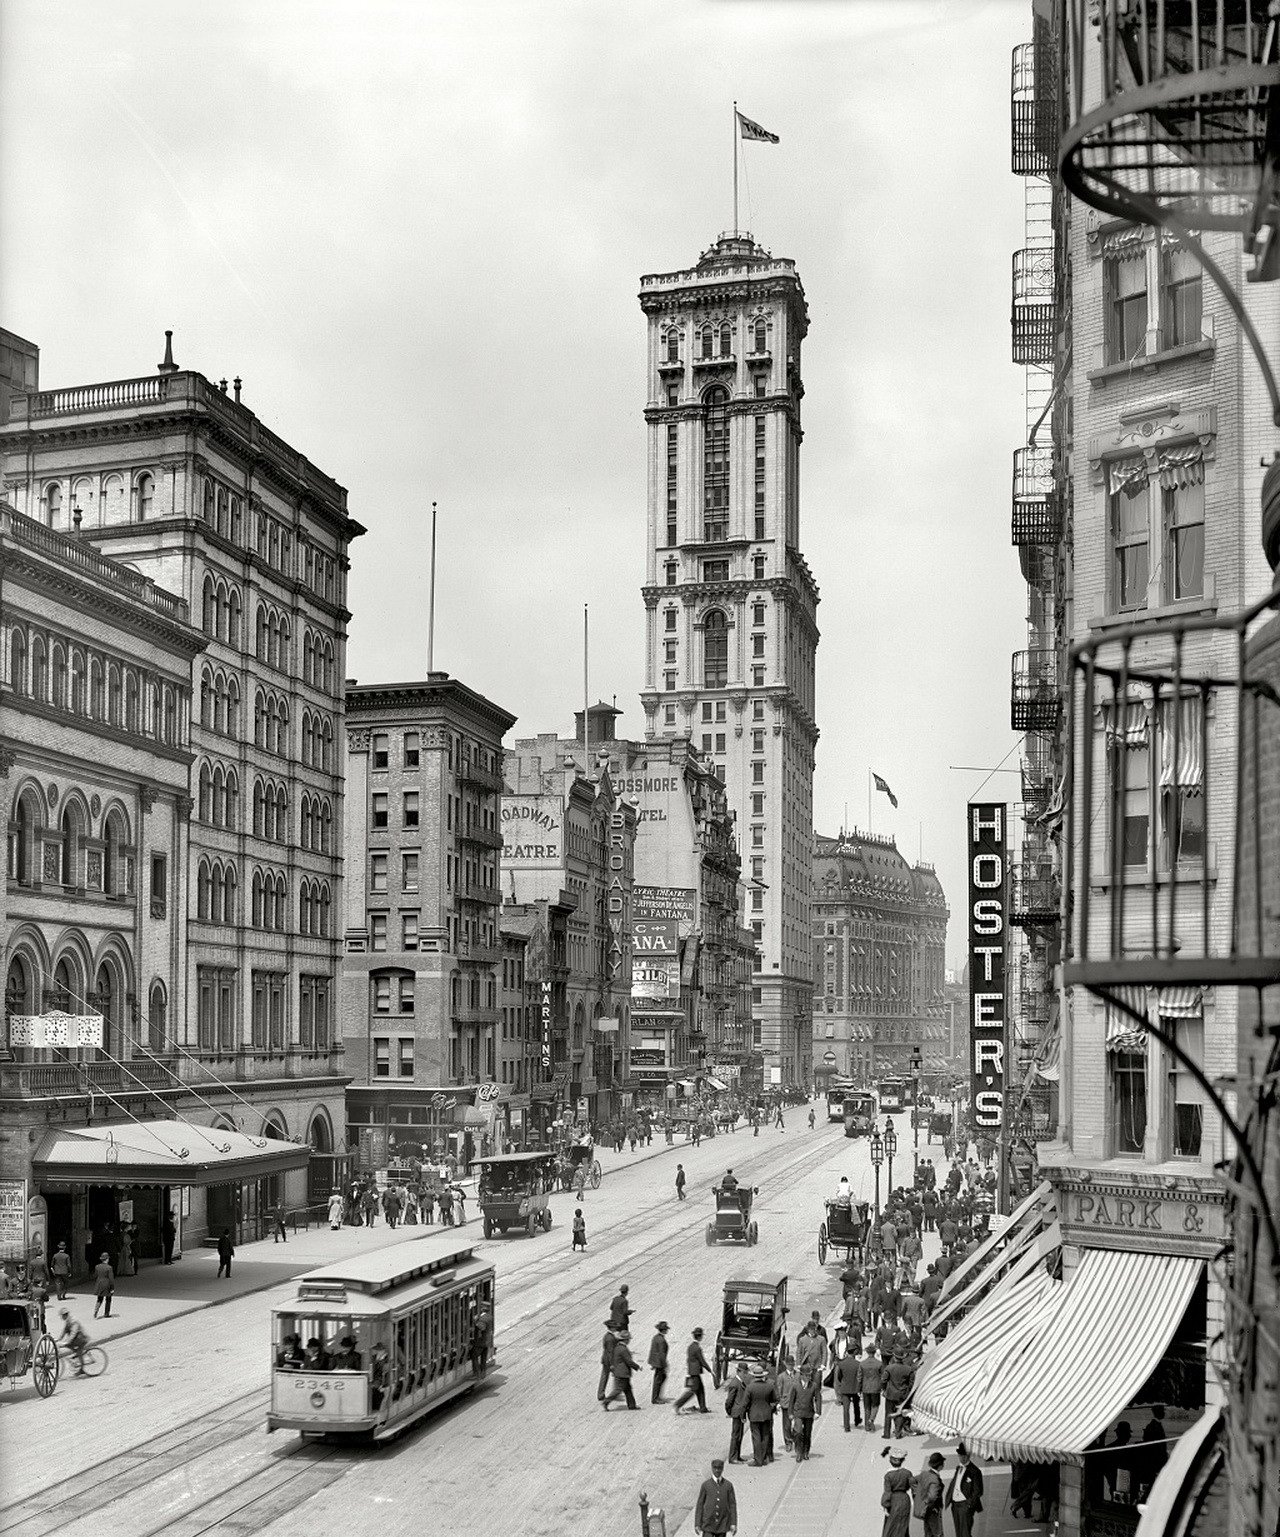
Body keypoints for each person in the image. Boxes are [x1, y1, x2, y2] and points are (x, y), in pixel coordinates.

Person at [944, 1443, 984, 1537]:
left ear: (967, 1456)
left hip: (965, 1505)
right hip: (955, 1505)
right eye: (959, 1455)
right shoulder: (959, 1468)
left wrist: (969, 1504)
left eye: (962, 1456)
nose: (960, 1458)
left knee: (965, 1533)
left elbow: (978, 1491)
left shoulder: (975, 1471)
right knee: (959, 1533)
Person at [693, 1458, 737, 1537]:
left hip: (722, 1523)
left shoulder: (728, 1485)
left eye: (719, 1468)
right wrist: (697, 1523)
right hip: (708, 1523)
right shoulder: (706, 1485)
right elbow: (700, 1505)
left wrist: (733, 1523)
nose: (717, 1470)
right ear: (712, 1468)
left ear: (722, 1469)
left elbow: (732, 1505)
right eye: (715, 1468)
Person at [787, 1362, 822, 1461]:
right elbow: (791, 1401)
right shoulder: (795, 1385)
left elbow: (818, 1398)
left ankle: (806, 1452)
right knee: (798, 1433)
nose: (808, 1377)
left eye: (809, 1375)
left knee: (807, 1433)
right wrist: (790, 1413)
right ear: (801, 1375)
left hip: (809, 1413)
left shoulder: (814, 1386)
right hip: (798, 1413)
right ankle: (798, 1452)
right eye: (806, 1375)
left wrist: (818, 1412)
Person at [746, 1362, 779, 1465]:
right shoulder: (769, 1386)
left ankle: (758, 1460)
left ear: (754, 1375)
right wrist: (770, 1407)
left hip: (754, 1415)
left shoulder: (750, 1387)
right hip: (766, 1415)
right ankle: (764, 1458)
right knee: (765, 1436)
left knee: (756, 1437)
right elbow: (775, 1399)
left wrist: (743, 1414)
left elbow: (745, 1402)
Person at [674, 1326, 712, 1414]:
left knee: (700, 1389)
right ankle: (678, 1404)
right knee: (693, 1391)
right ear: (699, 1337)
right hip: (696, 1372)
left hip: (692, 1372)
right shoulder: (697, 1348)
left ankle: (703, 1408)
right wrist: (710, 1370)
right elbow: (702, 1361)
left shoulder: (690, 1346)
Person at [603, 1328, 640, 1410]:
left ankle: (632, 1405)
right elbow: (629, 1361)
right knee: (619, 1390)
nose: (629, 1341)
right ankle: (606, 1401)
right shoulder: (623, 1349)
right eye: (628, 1339)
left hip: (619, 1372)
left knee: (628, 1390)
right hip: (623, 1373)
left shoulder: (617, 1347)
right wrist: (637, 1367)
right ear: (626, 1340)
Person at [881, 1448, 914, 1537]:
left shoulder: (888, 1475)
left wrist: (885, 1505)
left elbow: (887, 1492)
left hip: (893, 1500)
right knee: (903, 1525)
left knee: (890, 1527)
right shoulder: (907, 1473)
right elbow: (914, 1487)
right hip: (905, 1499)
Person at [724, 1362, 750, 1461]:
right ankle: (732, 1457)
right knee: (735, 1436)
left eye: (746, 1372)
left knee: (739, 1435)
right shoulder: (735, 1383)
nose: (745, 1374)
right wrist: (730, 1412)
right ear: (739, 1372)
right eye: (744, 1372)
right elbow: (729, 1401)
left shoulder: (740, 1382)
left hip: (740, 1413)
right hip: (737, 1413)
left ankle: (737, 1456)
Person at [834, 1342, 863, 1431]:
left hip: (845, 1388)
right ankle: (857, 1420)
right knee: (856, 1405)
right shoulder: (858, 1364)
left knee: (846, 1408)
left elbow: (838, 1377)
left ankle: (847, 1427)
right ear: (854, 1352)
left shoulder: (841, 1364)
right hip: (855, 1388)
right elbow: (860, 1377)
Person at [774, 1351, 797, 1452]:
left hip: (797, 1403)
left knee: (797, 1424)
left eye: (792, 1364)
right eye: (789, 1365)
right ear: (785, 1365)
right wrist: (778, 1402)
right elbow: (779, 1390)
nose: (791, 1366)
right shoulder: (781, 1377)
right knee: (787, 1425)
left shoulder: (798, 1375)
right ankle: (788, 1442)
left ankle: (796, 1440)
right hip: (786, 1403)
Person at [860, 1345, 884, 1433]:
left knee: (866, 1407)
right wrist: (882, 1387)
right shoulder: (879, 1363)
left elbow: (859, 1377)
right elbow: (883, 1376)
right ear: (874, 1352)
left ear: (867, 1352)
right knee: (875, 1405)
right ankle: (871, 1419)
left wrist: (859, 1388)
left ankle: (867, 1426)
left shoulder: (862, 1363)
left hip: (865, 1387)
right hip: (876, 1387)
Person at [57, 1308, 90, 1375]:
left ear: (65, 1315)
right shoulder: (68, 1321)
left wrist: (67, 1341)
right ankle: (76, 1355)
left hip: (81, 1339)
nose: (61, 1317)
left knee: (78, 1352)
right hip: (76, 1339)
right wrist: (59, 1339)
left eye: (62, 1316)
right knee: (68, 1346)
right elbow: (64, 1330)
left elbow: (73, 1333)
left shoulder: (73, 1321)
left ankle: (82, 1369)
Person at [649, 1321, 670, 1403]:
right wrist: (665, 1364)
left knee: (660, 1378)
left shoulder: (656, 1337)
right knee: (658, 1380)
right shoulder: (661, 1340)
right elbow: (661, 1353)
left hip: (656, 1361)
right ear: (664, 1330)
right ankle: (655, 1398)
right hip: (659, 1363)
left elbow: (653, 1351)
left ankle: (656, 1396)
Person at [598, 1321, 617, 1402]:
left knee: (604, 1376)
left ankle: (601, 1394)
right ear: (611, 1328)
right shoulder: (610, 1338)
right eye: (614, 1327)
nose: (616, 1328)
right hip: (609, 1360)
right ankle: (603, 1394)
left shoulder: (608, 1336)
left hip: (605, 1359)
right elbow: (610, 1351)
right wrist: (612, 1364)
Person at [92, 1252, 115, 1319]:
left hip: (99, 1283)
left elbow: (95, 1276)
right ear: (107, 1259)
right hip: (107, 1284)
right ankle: (106, 1313)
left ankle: (96, 1310)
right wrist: (112, 1288)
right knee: (108, 1299)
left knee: (99, 1299)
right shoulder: (109, 1268)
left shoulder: (97, 1266)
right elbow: (111, 1279)